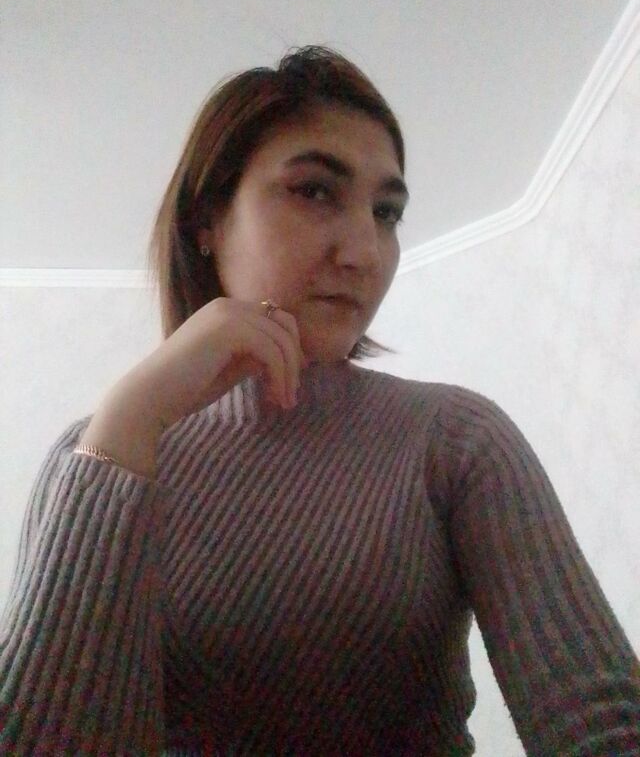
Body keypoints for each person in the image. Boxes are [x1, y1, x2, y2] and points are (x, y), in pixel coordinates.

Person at [0, 45, 638, 756]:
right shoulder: (96, 452)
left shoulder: (456, 439)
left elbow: (600, 720)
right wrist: (126, 423)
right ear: (208, 220)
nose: (365, 251)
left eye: (387, 211)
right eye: (313, 191)